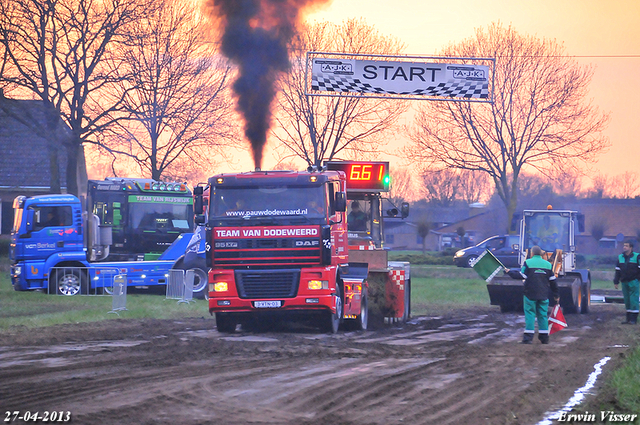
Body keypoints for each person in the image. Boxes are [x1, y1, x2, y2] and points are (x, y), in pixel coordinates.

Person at [520, 245, 559, 344]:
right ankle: (544, 338)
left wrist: (509, 272)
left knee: (530, 315)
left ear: (532, 253)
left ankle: (528, 338)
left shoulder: (528, 263)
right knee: (542, 316)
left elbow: (521, 275)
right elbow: (553, 282)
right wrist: (556, 295)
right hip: (543, 295)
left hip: (530, 295)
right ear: (541, 254)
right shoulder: (548, 265)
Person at [614, 241, 640, 325]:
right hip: (624, 281)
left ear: (630, 248)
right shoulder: (620, 257)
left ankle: (633, 320)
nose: (624, 247)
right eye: (624, 245)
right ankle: (628, 319)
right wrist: (616, 281)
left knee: (634, 300)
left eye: (626, 246)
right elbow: (617, 270)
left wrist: (637, 279)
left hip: (634, 281)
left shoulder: (637, 256)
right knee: (627, 300)